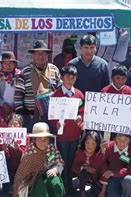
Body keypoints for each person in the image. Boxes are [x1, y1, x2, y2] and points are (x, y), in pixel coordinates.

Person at [48, 65, 84, 193]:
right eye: (67, 77)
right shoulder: (56, 95)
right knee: (62, 162)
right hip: (62, 137)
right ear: (62, 78)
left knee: (72, 161)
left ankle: (69, 185)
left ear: (76, 78)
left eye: (73, 77)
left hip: (75, 135)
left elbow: (82, 110)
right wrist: (55, 123)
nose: (70, 79)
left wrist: (81, 116)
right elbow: (51, 116)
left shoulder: (79, 94)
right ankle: (62, 187)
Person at [15, 40, 62, 130]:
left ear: (47, 55)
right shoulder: (26, 71)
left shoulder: (54, 69)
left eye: (43, 53)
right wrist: (21, 113)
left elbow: (60, 90)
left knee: (48, 140)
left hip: (50, 116)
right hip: (30, 116)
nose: (40, 56)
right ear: (33, 55)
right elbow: (18, 94)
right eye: (37, 53)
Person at [13, 122, 65, 197]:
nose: (43, 142)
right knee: (41, 186)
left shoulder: (51, 149)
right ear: (34, 140)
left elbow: (59, 163)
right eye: (40, 139)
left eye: (46, 139)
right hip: (33, 181)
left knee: (56, 182)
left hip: (48, 176)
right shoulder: (29, 152)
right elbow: (22, 174)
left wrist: (55, 169)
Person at [0, 51, 21, 128]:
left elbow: (22, 92)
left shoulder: (20, 75)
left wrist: (15, 107)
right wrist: (3, 104)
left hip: (16, 108)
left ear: (14, 64)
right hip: (1, 107)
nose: (8, 65)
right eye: (5, 63)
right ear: (2, 64)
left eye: (11, 63)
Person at [71, 131, 104, 197]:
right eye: (87, 143)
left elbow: (102, 170)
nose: (90, 146)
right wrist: (84, 167)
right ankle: (82, 192)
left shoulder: (100, 155)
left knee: (97, 193)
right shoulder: (79, 152)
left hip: (96, 178)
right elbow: (74, 168)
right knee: (83, 173)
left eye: (93, 144)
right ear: (84, 143)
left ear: (97, 145)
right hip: (84, 176)